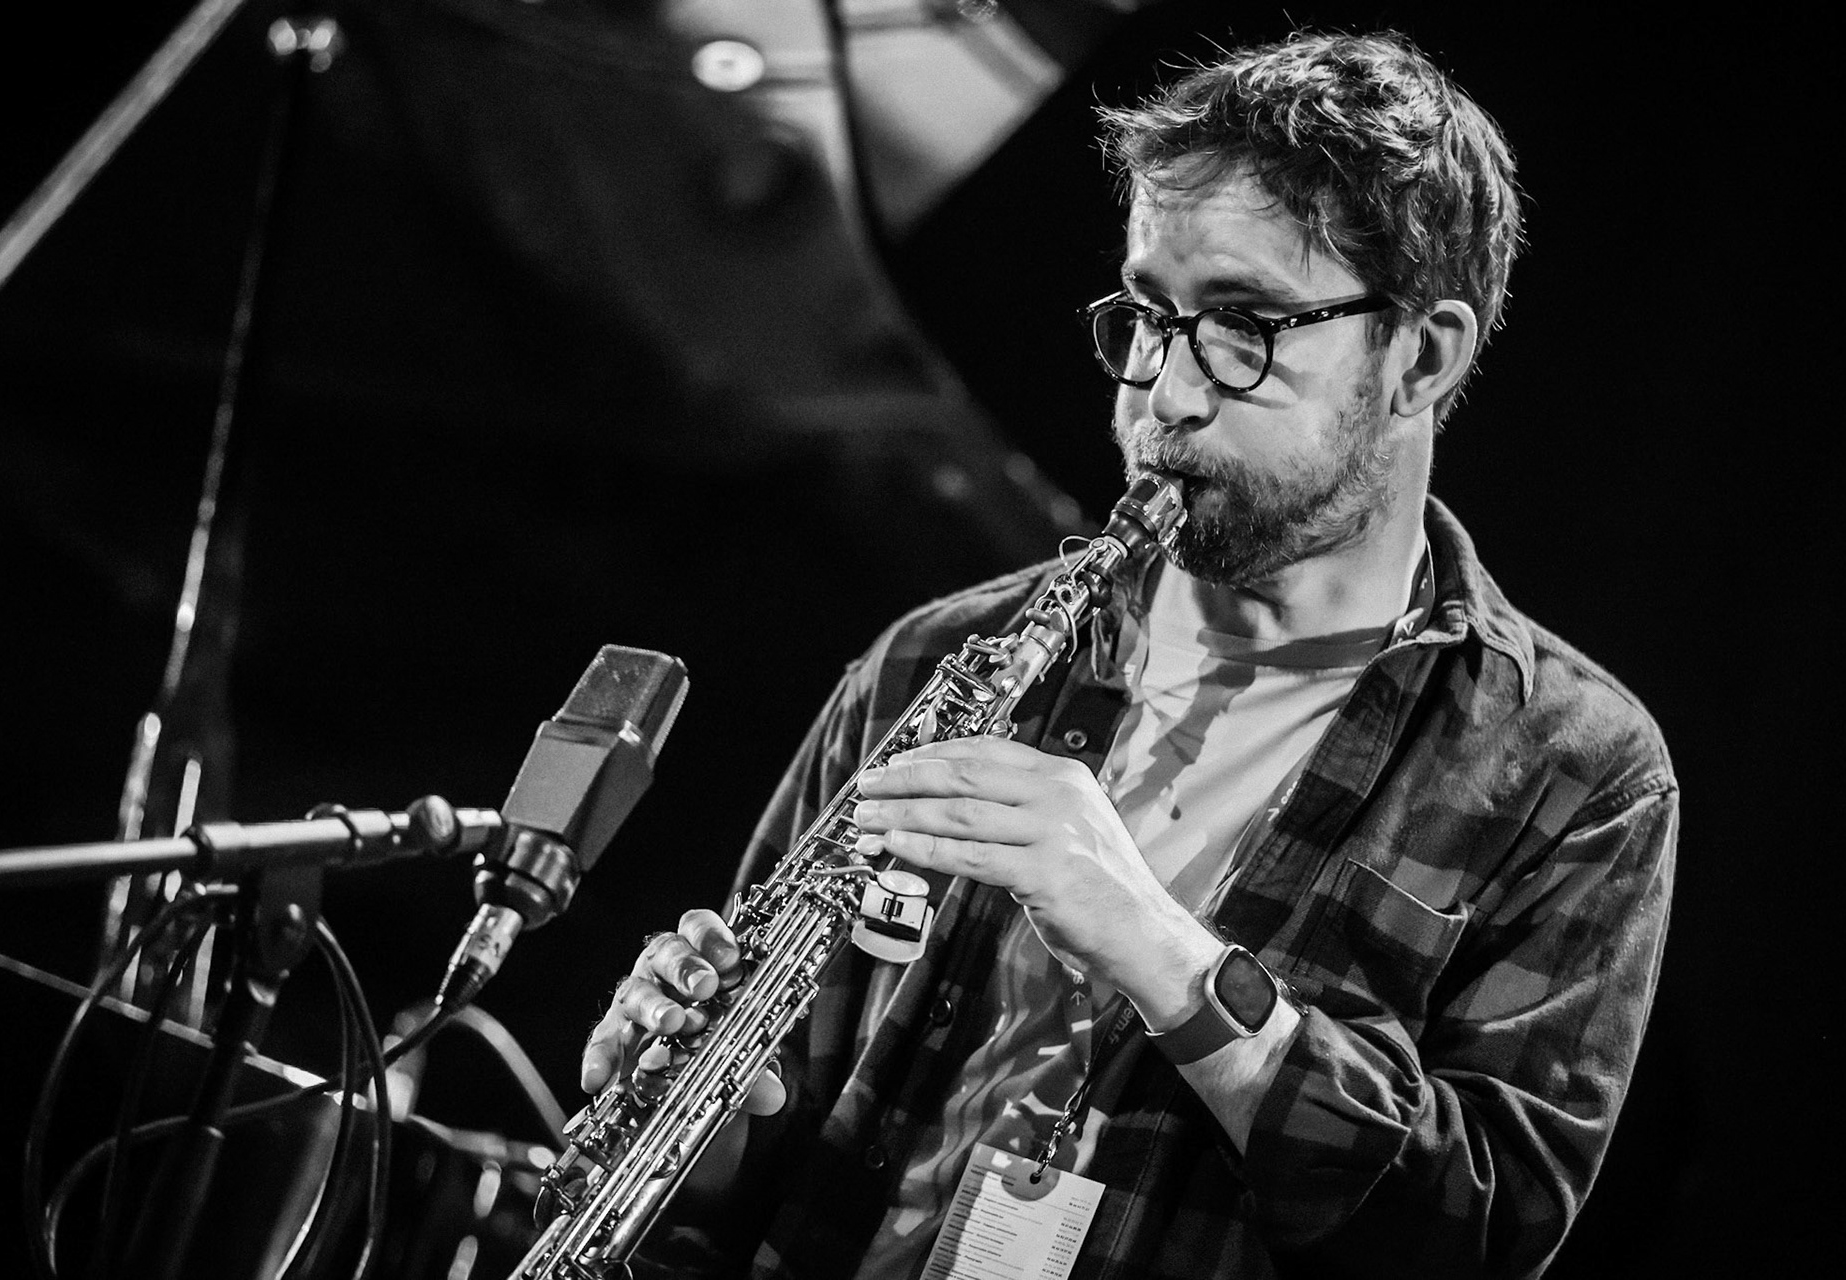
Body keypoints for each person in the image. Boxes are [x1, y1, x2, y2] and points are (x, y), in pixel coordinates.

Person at [578, 30, 1677, 1280]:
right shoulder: (941, 657)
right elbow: (756, 1174)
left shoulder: (1571, 768)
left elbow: (1469, 1238)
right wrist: (692, 1127)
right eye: (1149, 315)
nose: (1163, 394)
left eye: (1244, 325)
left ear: (1421, 355)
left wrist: (1159, 947)